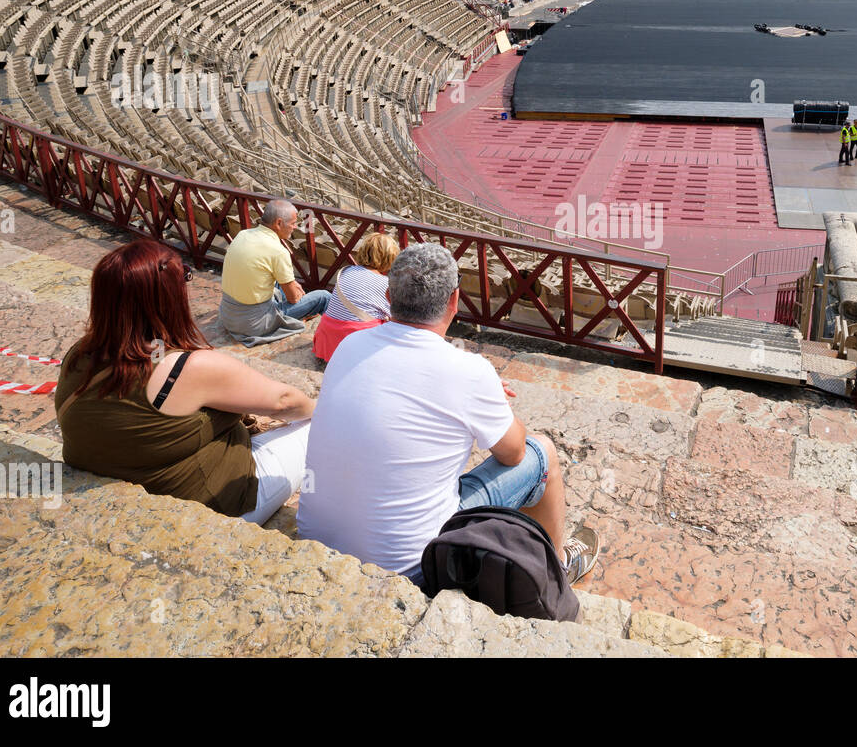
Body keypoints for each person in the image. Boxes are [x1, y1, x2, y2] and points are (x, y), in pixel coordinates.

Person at [298, 243, 599, 586]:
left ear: (388, 295)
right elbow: (514, 452)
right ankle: (557, 570)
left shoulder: (349, 346)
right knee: (542, 452)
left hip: (316, 542)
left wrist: (473, 391)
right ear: (454, 301)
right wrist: (485, 396)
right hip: (410, 568)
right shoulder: (468, 371)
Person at [56, 239, 314, 524]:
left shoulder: (78, 354)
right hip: (216, 503)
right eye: (184, 275)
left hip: (130, 481)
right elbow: (285, 402)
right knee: (318, 423)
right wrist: (319, 406)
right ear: (168, 296)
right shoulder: (184, 368)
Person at [218, 199, 330, 347]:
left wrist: (292, 285)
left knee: (274, 276)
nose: (295, 227)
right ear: (278, 223)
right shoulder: (278, 251)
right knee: (324, 296)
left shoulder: (243, 234)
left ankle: (299, 311)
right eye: (293, 223)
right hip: (254, 323)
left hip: (229, 315)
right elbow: (293, 298)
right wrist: (295, 294)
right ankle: (328, 342)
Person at [312, 232, 399, 363]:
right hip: (356, 345)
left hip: (327, 340)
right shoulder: (384, 284)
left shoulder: (346, 271)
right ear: (389, 258)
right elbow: (396, 318)